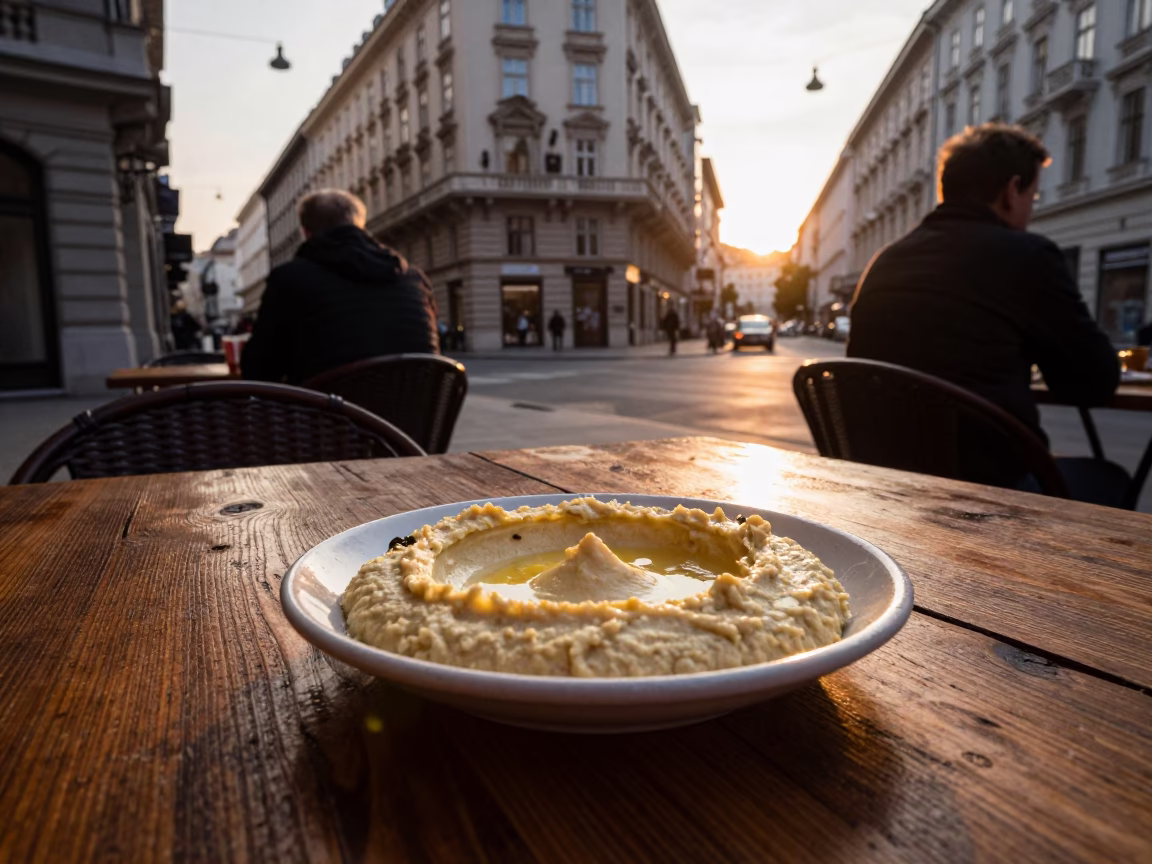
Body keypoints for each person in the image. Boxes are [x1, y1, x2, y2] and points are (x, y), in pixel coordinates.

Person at [848, 123, 1119, 497]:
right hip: (990, 493)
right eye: (1033, 197)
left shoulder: (885, 261)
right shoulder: (1028, 256)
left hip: (884, 488)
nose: (1031, 210)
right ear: (1012, 191)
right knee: (1108, 479)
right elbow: (1094, 383)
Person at [242, 189, 438, 384]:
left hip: (326, 412)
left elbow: (258, 370)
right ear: (360, 225)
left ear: (306, 232)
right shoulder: (414, 279)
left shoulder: (288, 279)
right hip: (412, 412)